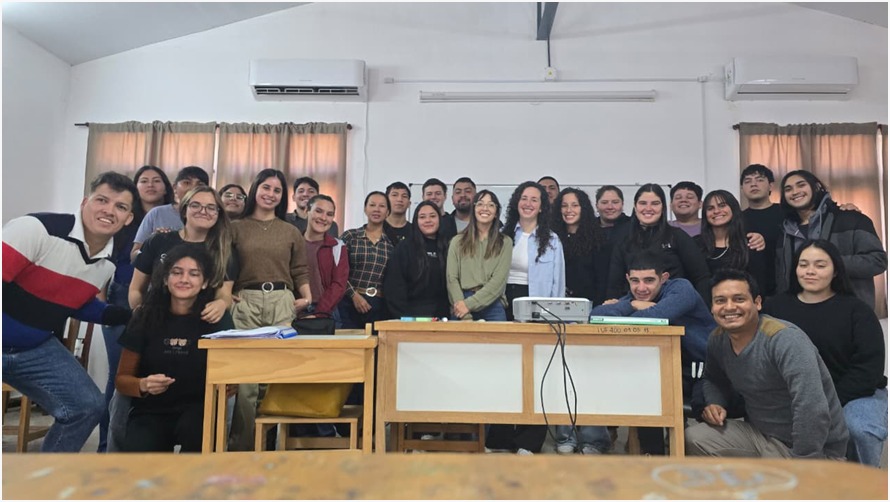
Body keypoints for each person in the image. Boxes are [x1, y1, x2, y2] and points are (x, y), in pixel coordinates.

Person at [3, 171, 136, 452]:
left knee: (87, 406)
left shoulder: (108, 262)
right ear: (85, 201)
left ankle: (47, 485)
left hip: (34, 349)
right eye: (102, 200)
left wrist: (124, 315)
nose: (108, 210)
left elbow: (75, 302)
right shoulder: (37, 228)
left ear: (129, 218)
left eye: (120, 207)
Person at [685, 269, 848, 459]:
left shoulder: (785, 340)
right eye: (720, 301)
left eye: (739, 299)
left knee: (781, 482)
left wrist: (804, 462)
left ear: (757, 303)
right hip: (760, 435)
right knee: (694, 438)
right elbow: (713, 379)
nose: (729, 307)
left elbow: (811, 408)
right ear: (712, 308)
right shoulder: (718, 339)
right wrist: (715, 402)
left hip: (811, 449)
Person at [763, 240, 887, 467]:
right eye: (803, 264)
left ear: (836, 270)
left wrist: (826, 404)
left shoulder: (857, 310)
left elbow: (868, 369)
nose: (810, 271)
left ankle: (869, 489)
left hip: (856, 394)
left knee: (858, 429)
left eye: (820, 265)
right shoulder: (775, 308)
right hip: (795, 395)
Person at [592, 251, 714, 455]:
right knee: (645, 386)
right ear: (627, 279)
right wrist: (630, 304)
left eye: (649, 280)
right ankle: (653, 456)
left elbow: (656, 316)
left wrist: (624, 309)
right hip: (670, 368)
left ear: (664, 278)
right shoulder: (633, 297)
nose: (641, 288)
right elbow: (594, 315)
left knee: (655, 387)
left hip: (703, 369)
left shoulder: (681, 288)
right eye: (635, 281)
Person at [115, 245, 235, 452]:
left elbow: (232, 378)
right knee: (139, 463)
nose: (184, 279)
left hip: (199, 408)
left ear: (205, 282)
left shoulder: (217, 318)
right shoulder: (144, 316)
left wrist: (228, 387)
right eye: (176, 272)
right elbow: (122, 380)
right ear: (164, 279)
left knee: (199, 451)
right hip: (151, 410)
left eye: (194, 274)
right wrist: (143, 384)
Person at [229, 168, 312, 451]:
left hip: (281, 300)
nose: (270, 194)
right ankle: (241, 449)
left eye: (277, 191)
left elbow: (299, 269)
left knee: (273, 379)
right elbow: (226, 266)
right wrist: (227, 294)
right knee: (247, 381)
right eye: (266, 187)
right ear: (255, 189)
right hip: (246, 300)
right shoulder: (235, 227)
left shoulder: (290, 230)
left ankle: (269, 448)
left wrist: (305, 297)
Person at [99, 165, 173, 452]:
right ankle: (108, 445)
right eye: (144, 181)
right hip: (119, 295)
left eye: (157, 180)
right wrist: (101, 296)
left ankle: (145, 443)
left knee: (152, 369)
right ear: (135, 186)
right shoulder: (123, 218)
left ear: (167, 187)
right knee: (120, 371)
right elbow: (104, 257)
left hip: (156, 299)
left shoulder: (170, 219)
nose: (151, 185)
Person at [487, 181, 564, 455]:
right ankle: (499, 438)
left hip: (538, 310)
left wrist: (554, 317)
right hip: (504, 304)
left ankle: (529, 442)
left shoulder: (552, 240)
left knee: (536, 373)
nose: (528, 203)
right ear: (516, 202)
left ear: (542, 206)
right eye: (524, 198)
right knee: (505, 372)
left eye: (535, 199)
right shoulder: (503, 233)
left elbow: (558, 283)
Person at [550, 187, 611, 455]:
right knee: (559, 373)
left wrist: (595, 314)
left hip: (589, 314)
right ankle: (565, 435)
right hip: (557, 314)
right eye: (564, 205)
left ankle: (594, 438)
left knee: (590, 376)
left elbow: (604, 280)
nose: (569, 210)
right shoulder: (551, 239)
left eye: (574, 205)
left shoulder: (598, 238)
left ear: (584, 208)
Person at [775, 170, 887, 309]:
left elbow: (877, 261)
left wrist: (832, 263)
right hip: (800, 312)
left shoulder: (851, 219)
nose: (795, 191)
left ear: (816, 187)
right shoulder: (785, 232)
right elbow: (782, 276)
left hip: (847, 310)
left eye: (801, 185)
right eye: (788, 189)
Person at [607, 184, 711, 301]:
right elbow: (614, 284)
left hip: (674, 306)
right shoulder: (623, 238)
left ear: (663, 208)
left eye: (655, 204)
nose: (648, 208)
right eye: (643, 203)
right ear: (635, 207)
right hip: (633, 307)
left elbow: (701, 277)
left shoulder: (677, 236)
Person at [446, 190, 512, 321]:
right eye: (480, 204)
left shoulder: (505, 242)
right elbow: (452, 279)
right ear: (474, 209)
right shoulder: (457, 241)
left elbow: (498, 282)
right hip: (461, 302)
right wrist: (464, 312)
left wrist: (468, 305)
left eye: (491, 205)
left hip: (493, 304)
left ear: (496, 213)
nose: (485, 208)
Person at [695, 190, 769, 302]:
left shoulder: (750, 242)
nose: (716, 211)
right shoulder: (695, 244)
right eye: (710, 208)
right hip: (706, 307)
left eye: (722, 205)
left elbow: (759, 283)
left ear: (733, 208)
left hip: (743, 305)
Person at [384, 201, 451, 319]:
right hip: (409, 316)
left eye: (433, 216)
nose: (428, 220)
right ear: (416, 221)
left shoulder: (448, 247)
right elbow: (394, 287)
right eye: (422, 217)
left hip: (443, 317)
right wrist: (404, 318)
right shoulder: (404, 248)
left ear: (440, 219)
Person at [338, 191, 395, 329]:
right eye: (372, 205)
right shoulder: (350, 236)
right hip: (349, 302)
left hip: (379, 306)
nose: (377, 209)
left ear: (387, 212)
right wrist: (353, 295)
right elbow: (337, 271)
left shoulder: (392, 243)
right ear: (365, 209)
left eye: (382, 206)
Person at [131, 166, 209, 261]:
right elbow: (134, 256)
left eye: (200, 184)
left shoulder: (210, 216)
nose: (193, 188)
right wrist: (151, 243)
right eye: (187, 183)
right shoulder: (157, 213)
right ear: (175, 188)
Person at [302, 194, 349, 326]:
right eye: (318, 211)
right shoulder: (293, 243)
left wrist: (318, 313)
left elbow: (339, 285)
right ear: (307, 211)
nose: (323, 218)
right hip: (294, 309)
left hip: (328, 312)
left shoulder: (338, 246)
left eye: (329, 214)